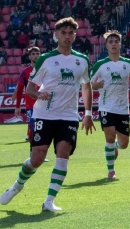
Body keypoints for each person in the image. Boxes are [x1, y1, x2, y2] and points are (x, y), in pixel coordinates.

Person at [0, 18, 95, 212]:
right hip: (44, 114)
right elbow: (30, 89)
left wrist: (88, 113)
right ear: (56, 35)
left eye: (71, 33)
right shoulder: (46, 59)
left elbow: (86, 86)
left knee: (63, 154)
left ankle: (49, 201)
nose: (67, 36)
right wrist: (38, 94)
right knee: (36, 159)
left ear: (75, 35)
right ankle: (17, 186)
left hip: (68, 116)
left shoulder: (82, 60)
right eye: (63, 33)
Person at [90, 31, 130, 179]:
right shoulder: (100, 64)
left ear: (120, 44)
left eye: (116, 41)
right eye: (110, 41)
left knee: (124, 144)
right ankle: (111, 171)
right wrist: (95, 85)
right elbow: (88, 84)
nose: (113, 44)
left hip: (123, 108)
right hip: (106, 107)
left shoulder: (127, 63)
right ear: (106, 45)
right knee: (110, 136)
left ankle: (115, 147)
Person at [11, 46, 41, 142]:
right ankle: (32, 146)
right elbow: (20, 88)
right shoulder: (25, 72)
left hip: (44, 103)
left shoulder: (45, 69)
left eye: (37, 54)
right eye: (33, 54)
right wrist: (18, 106)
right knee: (32, 125)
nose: (36, 56)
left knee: (43, 127)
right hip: (30, 104)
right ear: (29, 57)